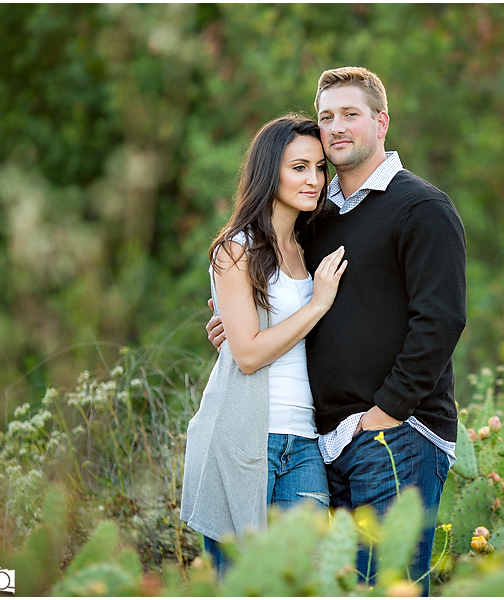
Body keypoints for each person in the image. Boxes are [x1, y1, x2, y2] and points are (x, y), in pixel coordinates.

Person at [206, 67, 466, 595]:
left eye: (351, 114)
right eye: (327, 117)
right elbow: (280, 297)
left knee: (387, 586)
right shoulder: (317, 220)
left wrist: (386, 413)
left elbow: (441, 321)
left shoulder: (420, 207)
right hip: (323, 445)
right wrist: (234, 329)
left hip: (397, 434)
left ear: (382, 121)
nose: (337, 126)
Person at [181, 115, 348, 575]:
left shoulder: (310, 247)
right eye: (299, 167)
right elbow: (249, 354)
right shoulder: (235, 250)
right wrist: (316, 306)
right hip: (240, 438)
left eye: (319, 168)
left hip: (305, 442)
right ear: (269, 170)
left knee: (301, 581)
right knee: (241, 585)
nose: (313, 179)